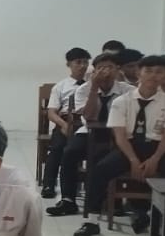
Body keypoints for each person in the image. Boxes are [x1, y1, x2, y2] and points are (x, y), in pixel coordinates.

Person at [75, 54, 165, 236]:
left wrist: (155, 159)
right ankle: (91, 220)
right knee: (100, 169)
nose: (153, 76)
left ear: (164, 76)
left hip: (157, 148)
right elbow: (119, 135)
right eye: (148, 71)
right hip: (128, 147)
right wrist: (132, 159)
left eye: (159, 72)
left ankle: (163, 218)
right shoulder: (122, 101)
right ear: (139, 73)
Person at [49, 53, 129, 217]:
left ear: (117, 71)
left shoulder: (127, 90)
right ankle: (68, 200)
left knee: (106, 157)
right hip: (89, 131)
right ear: (94, 71)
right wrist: (94, 87)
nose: (105, 71)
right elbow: (90, 116)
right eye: (101, 68)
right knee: (70, 152)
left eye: (110, 67)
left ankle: (110, 201)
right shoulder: (83, 90)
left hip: (119, 135)